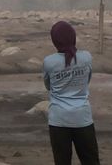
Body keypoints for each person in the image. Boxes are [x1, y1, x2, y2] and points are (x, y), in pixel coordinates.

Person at [42, 21, 101, 165]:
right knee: (91, 160)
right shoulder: (86, 57)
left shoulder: (49, 61)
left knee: (62, 161)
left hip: (58, 119)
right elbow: (87, 80)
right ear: (73, 37)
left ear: (55, 40)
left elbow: (48, 86)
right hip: (82, 118)